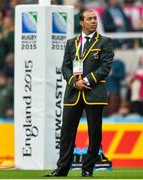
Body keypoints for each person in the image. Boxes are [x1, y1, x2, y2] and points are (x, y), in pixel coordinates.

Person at [45, 9, 114, 177]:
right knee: (66, 135)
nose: (94, 21)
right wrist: (75, 82)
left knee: (94, 134)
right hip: (73, 94)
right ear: (81, 22)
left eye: (95, 18)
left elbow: (105, 68)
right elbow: (65, 67)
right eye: (89, 19)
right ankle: (62, 170)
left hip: (94, 93)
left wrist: (87, 81)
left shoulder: (105, 42)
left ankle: (87, 169)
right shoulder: (71, 43)